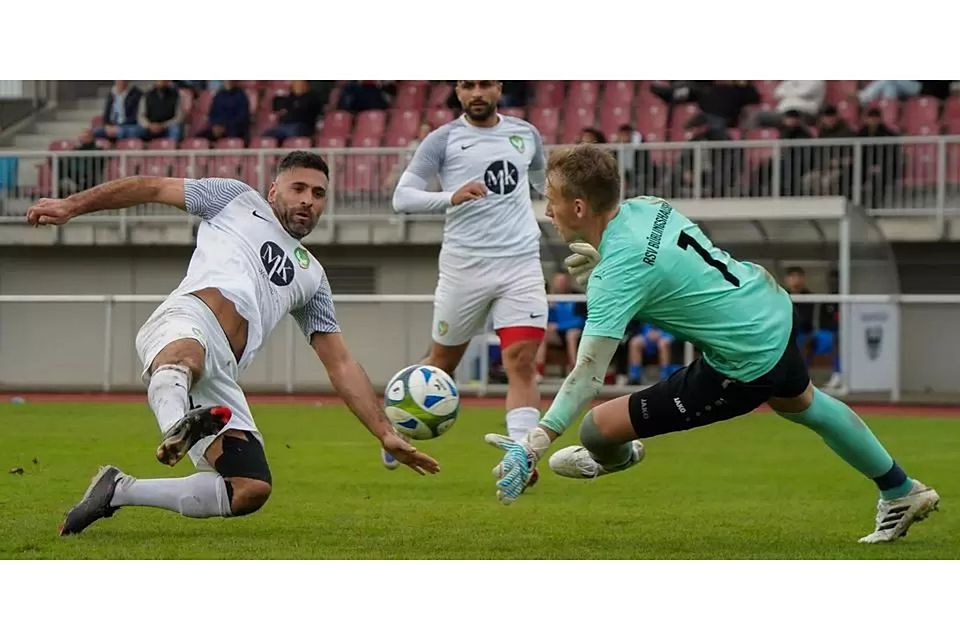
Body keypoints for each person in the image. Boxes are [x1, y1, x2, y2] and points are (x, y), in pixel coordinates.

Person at [485, 144, 939, 544]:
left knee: (596, 430)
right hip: (771, 310)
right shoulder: (647, 206)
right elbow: (661, 266)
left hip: (743, 364)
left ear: (580, 207)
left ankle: (621, 456)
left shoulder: (617, 274)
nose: (547, 210)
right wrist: (607, 265)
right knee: (806, 405)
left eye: (552, 199)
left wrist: (534, 442)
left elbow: (586, 376)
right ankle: (901, 490)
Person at [26, 151, 439, 536]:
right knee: (187, 358)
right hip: (186, 321)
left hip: (222, 374)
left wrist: (384, 432)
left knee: (249, 488)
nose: (308, 201)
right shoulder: (233, 198)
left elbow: (341, 363)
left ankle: (118, 490)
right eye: (298, 189)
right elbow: (150, 186)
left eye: (318, 194)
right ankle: (177, 424)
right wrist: (71, 206)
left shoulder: (312, 277)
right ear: (273, 190)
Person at [391, 80, 548, 475]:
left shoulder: (526, 134)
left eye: (485, 83)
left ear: (499, 87)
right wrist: (450, 196)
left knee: (522, 360)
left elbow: (545, 183)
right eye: (467, 84)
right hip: (465, 266)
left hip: (521, 263)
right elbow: (402, 197)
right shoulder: (442, 140)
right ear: (458, 92)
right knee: (443, 362)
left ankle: (520, 458)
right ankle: (400, 425)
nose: (476, 92)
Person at [535, 272, 586, 376]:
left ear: (569, 283)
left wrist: (559, 326)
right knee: (543, 334)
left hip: (575, 331)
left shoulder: (578, 297)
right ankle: (538, 371)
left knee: (571, 334)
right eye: (558, 282)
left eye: (563, 281)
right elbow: (546, 320)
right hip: (557, 334)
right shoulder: (550, 298)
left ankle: (575, 370)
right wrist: (550, 309)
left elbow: (581, 321)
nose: (560, 284)